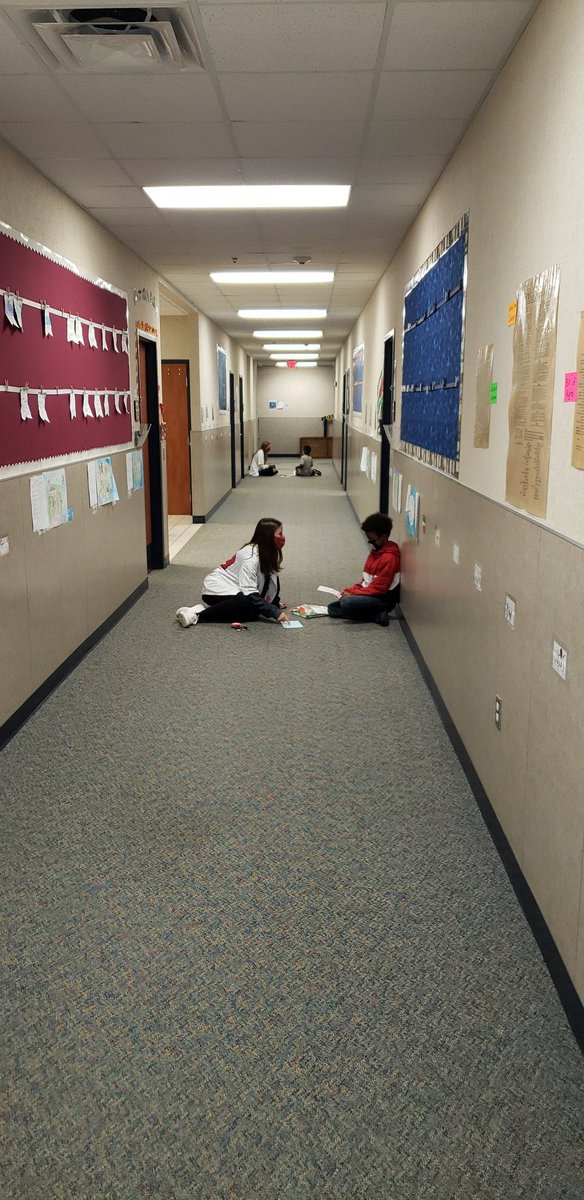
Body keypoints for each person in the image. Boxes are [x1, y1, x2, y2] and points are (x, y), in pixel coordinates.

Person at [176, 517, 290, 627]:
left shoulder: (268, 551)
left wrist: (274, 602)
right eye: (280, 534)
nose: (283, 537)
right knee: (247, 603)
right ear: (268, 537)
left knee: (252, 613)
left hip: (236, 589)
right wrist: (273, 611)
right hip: (216, 588)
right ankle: (197, 616)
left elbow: (271, 579)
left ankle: (205, 609)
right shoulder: (250, 558)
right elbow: (249, 592)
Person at [327, 512, 400, 626]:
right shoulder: (375, 553)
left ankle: (375, 614)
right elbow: (365, 582)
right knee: (332, 608)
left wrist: (353, 594)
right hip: (370, 594)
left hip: (382, 599)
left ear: (384, 537)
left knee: (346, 603)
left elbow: (378, 589)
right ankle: (375, 615)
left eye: (372, 540)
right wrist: (350, 590)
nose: (370, 543)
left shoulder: (390, 558)